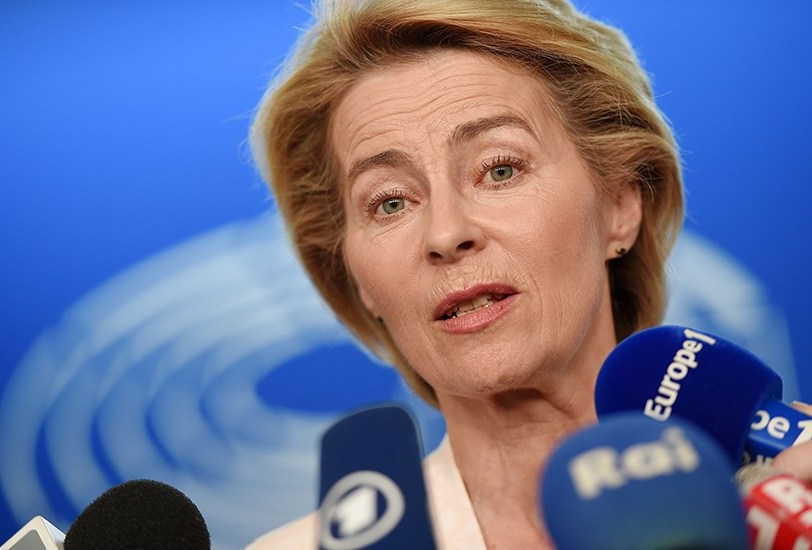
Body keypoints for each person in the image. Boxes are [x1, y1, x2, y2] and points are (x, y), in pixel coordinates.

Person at [245, 0, 812, 547]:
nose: (445, 234)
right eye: (390, 203)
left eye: (500, 170)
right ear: (358, 280)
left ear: (619, 206)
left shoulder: (781, 500)